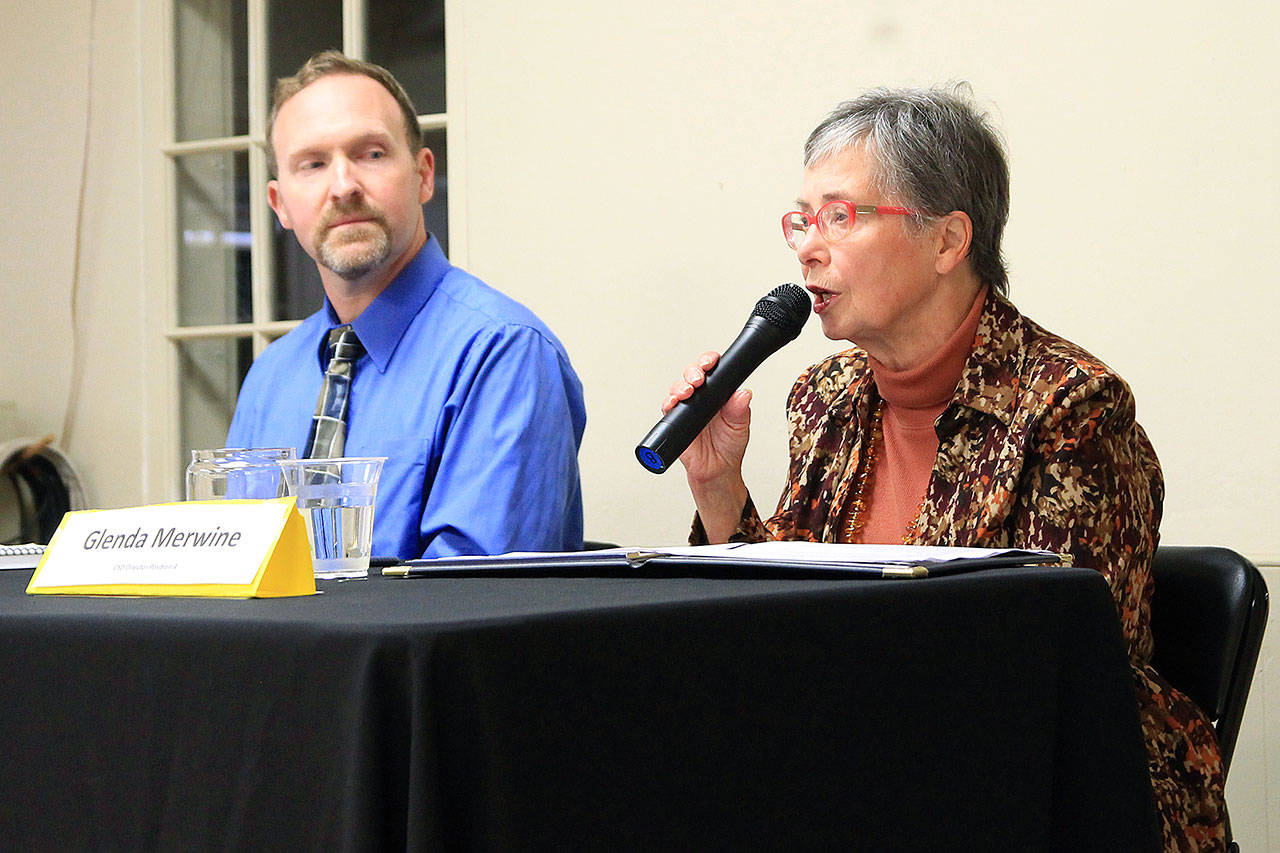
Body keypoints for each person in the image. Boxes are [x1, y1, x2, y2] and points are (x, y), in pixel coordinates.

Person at [662, 86, 1226, 850]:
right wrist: (718, 485)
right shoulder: (825, 398)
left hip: (1047, 800)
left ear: (947, 240)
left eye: (840, 216)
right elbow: (782, 616)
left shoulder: (1069, 406)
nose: (807, 247)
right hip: (866, 776)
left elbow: (1063, 669)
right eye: (802, 220)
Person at [228, 51, 586, 559]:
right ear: (280, 204)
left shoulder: (503, 355)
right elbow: (234, 572)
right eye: (313, 164)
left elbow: (476, 597)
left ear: (423, 175)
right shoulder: (269, 379)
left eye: (372, 154)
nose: (344, 186)